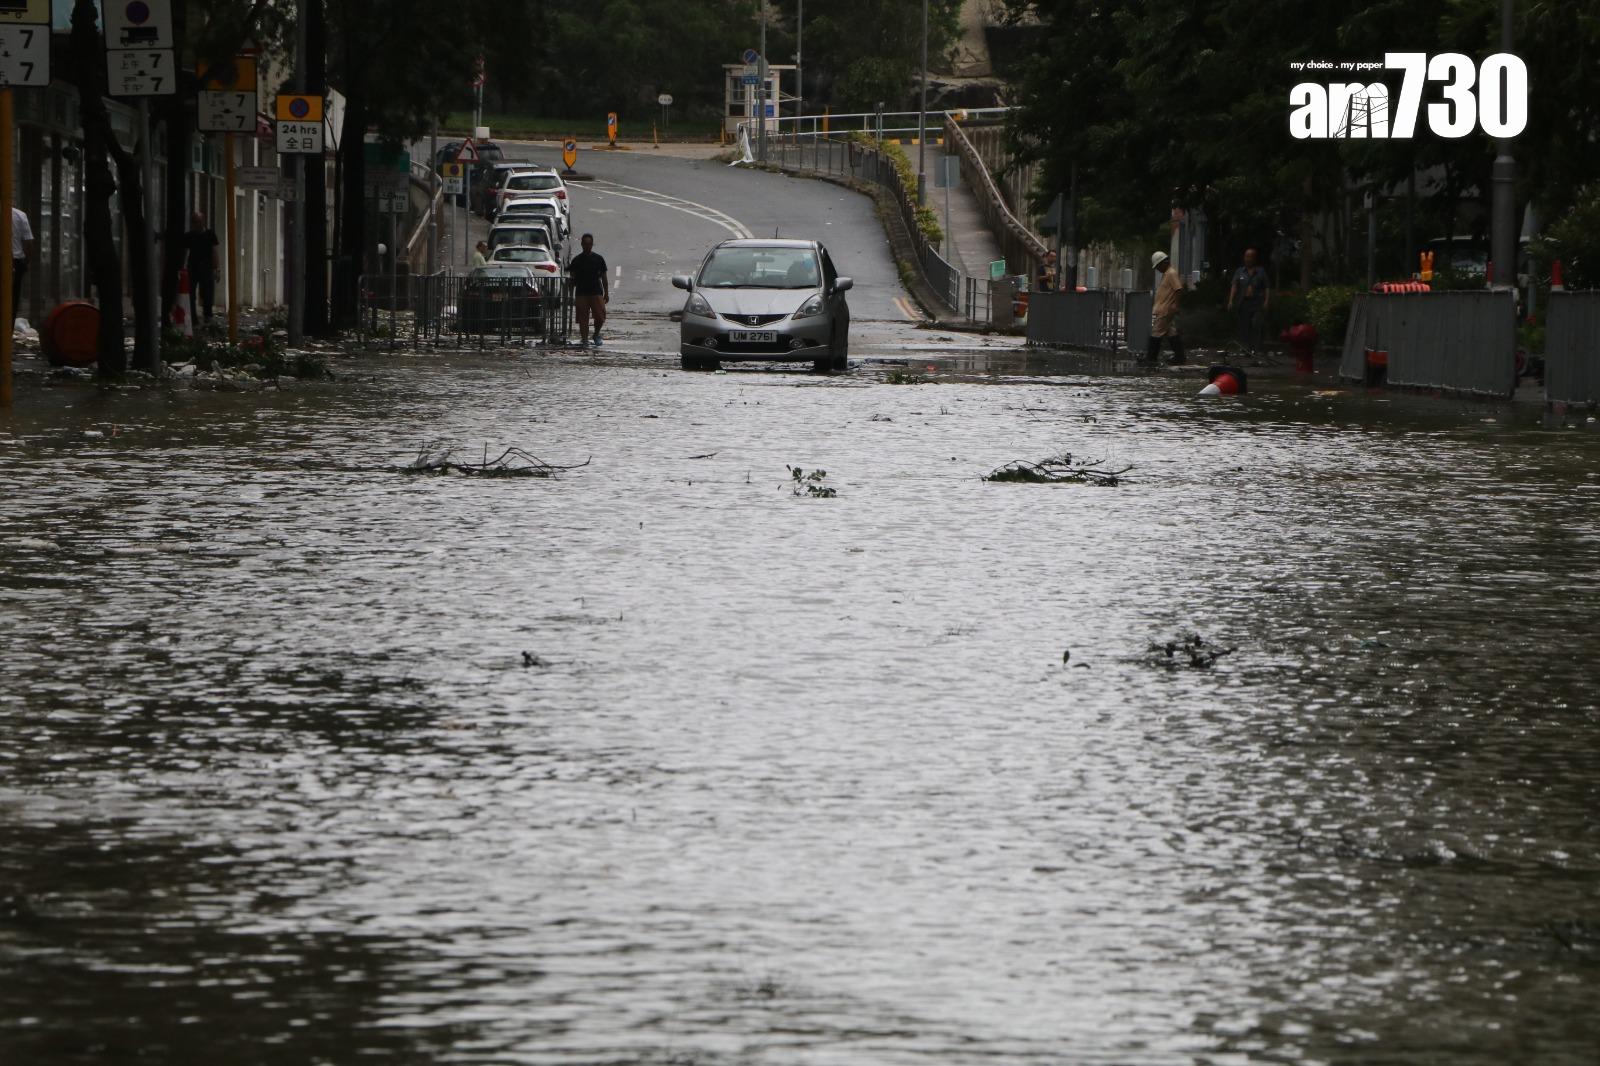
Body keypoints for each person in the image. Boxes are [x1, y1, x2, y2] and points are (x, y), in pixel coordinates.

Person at [1145, 250, 1187, 365]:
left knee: (1156, 333)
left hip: (1166, 309)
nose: (1158, 269)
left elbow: (1178, 289)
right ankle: (1180, 357)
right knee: (1171, 332)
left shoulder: (1171, 273)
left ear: (1163, 263)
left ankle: (1151, 358)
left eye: (1158, 266)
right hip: (1164, 308)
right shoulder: (1167, 273)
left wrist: (1175, 304)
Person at [1226, 246, 1270, 353]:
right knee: (1245, 326)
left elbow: (1267, 287)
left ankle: (1257, 348)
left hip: (1257, 302)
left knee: (1256, 323)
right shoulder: (1240, 271)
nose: (1248, 259)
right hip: (1244, 303)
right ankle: (1247, 349)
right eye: (1246, 256)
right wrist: (1231, 301)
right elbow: (1234, 286)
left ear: (1254, 258)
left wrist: (1266, 301)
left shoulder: (1261, 271)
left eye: (1250, 256)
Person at [568, 233, 609, 347]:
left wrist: (606, 292)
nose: (587, 246)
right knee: (583, 319)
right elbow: (572, 277)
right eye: (585, 244)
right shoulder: (576, 260)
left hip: (596, 292)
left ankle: (596, 334)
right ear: (581, 244)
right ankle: (585, 340)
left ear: (592, 244)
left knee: (600, 317)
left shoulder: (599, 259)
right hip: (581, 293)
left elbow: (604, 277)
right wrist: (571, 292)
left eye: (589, 244)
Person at [182, 212, 219, 324]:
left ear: (203, 222)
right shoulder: (189, 236)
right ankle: (193, 318)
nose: (196, 224)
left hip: (207, 267)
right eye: (194, 221)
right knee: (191, 294)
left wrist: (217, 268)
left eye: (198, 221)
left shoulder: (210, 234)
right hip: (193, 267)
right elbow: (185, 252)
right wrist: (183, 268)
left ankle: (207, 315)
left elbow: (214, 251)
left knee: (207, 293)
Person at [10, 205, 33, 337]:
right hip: (15, 261)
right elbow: (29, 242)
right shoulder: (19, 215)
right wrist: (26, 262)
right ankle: (7, 333)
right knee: (12, 299)